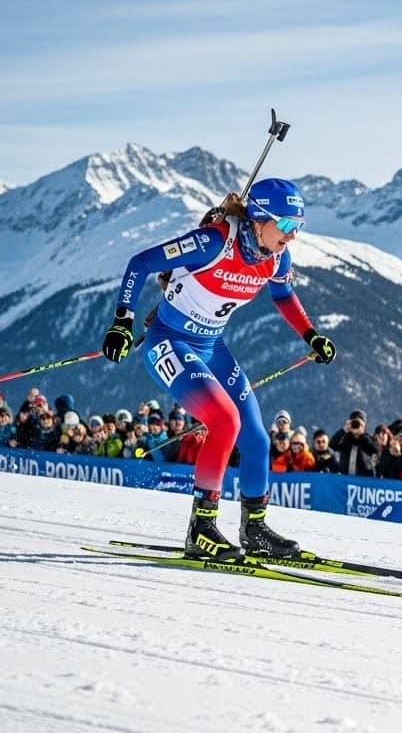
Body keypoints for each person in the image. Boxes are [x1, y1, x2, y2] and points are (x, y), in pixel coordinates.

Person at [101, 178, 335, 559]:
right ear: (259, 219)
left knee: (257, 439)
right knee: (225, 420)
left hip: (212, 346)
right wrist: (122, 322)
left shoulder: (277, 257)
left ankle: (254, 529)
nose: (292, 236)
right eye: (287, 225)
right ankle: (201, 529)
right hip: (169, 342)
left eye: (299, 227)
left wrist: (311, 335)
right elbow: (140, 263)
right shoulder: (213, 242)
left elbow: (283, 294)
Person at [331, 409, 378, 477]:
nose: (356, 424)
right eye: (354, 422)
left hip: (363, 479)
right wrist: (343, 430)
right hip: (345, 477)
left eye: (359, 422)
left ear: (364, 424)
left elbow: (373, 449)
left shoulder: (368, 439)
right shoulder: (345, 439)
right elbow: (332, 445)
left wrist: (362, 435)